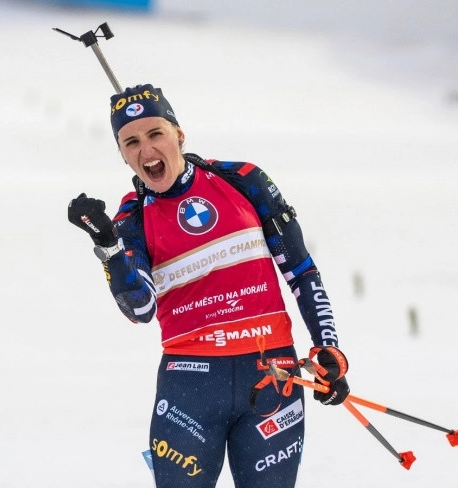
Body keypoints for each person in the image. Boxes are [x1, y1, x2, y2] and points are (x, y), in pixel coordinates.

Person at [68, 84, 351, 487]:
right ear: (123, 154)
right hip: (190, 388)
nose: (146, 149)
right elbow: (141, 309)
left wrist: (328, 347)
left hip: (272, 376)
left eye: (155, 134)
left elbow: (301, 271)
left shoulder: (243, 180)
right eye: (131, 142)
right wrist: (109, 247)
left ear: (179, 135)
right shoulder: (131, 219)